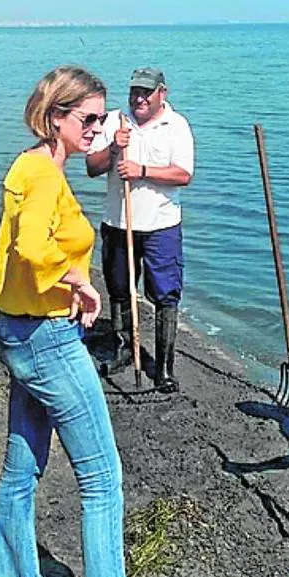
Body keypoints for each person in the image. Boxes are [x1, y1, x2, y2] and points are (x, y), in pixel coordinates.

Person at [0, 65, 178, 577]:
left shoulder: (29, 165)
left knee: (22, 469)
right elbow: (30, 247)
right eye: (88, 119)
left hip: (19, 329)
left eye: (102, 118)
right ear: (56, 118)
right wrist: (76, 279)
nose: (99, 128)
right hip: (46, 339)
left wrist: (64, 283)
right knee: (103, 479)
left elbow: (21, 253)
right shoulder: (43, 173)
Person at [86, 66, 194, 392]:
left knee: (165, 294)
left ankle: (163, 367)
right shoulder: (115, 122)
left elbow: (183, 175)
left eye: (146, 92)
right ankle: (124, 349)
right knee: (120, 289)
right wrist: (114, 149)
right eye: (135, 91)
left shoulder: (176, 126)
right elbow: (92, 167)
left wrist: (142, 170)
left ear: (163, 92)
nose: (139, 98)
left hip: (161, 226)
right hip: (118, 223)